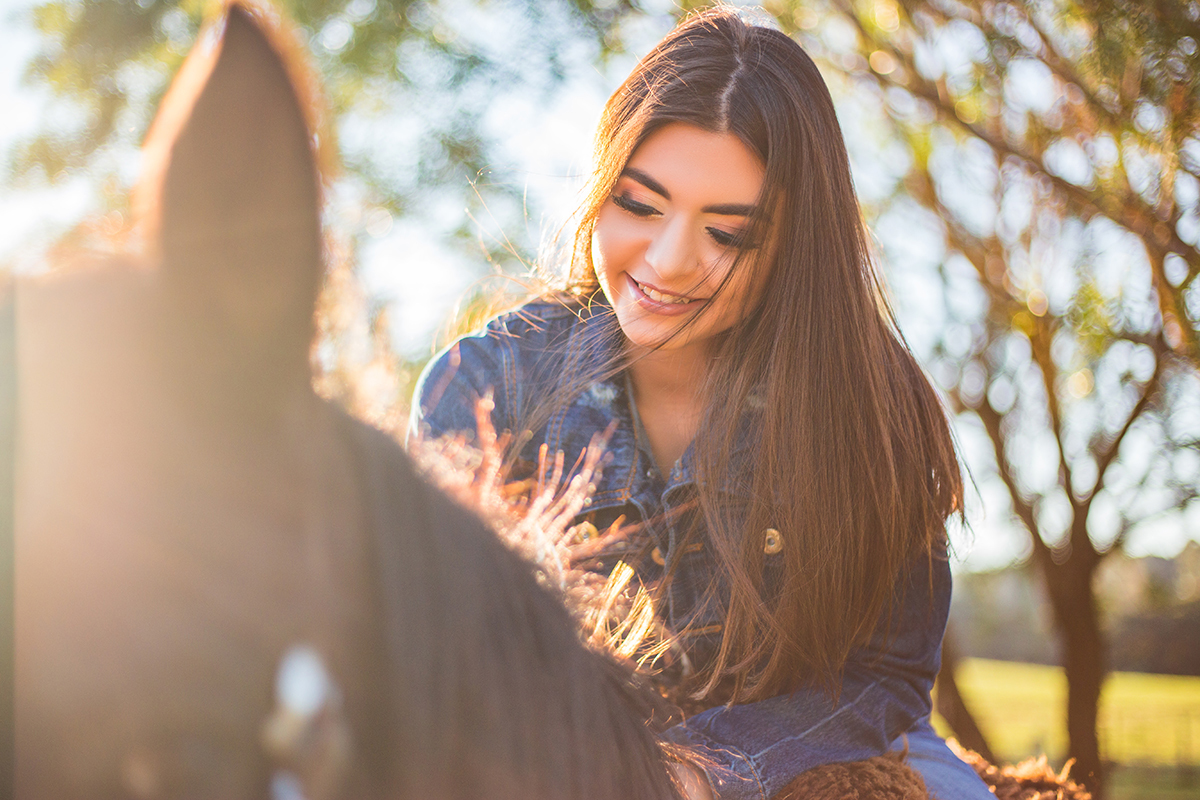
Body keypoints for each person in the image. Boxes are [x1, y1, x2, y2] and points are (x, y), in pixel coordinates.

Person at [409, 7, 993, 800]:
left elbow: (886, 675)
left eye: (728, 235)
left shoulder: (870, 412)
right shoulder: (483, 389)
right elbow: (430, 654)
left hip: (800, 748)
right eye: (641, 206)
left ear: (792, 247)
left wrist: (703, 767)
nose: (668, 261)